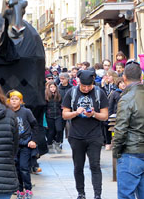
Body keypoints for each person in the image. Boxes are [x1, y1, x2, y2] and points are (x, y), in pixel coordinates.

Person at [62, 70, 109, 199]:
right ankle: (81, 193)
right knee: (78, 166)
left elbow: (105, 116)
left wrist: (93, 114)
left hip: (95, 135)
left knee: (95, 165)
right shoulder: (71, 93)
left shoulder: (100, 93)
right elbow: (65, 114)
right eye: (84, 86)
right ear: (79, 82)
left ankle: (97, 195)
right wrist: (76, 113)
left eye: (89, 86)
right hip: (76, 136)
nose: (87, 89)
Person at [113, 62, 144, 199]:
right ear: (141, 77)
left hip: (131, 152)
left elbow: (120, 129)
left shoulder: (126, 99)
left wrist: (116, 151)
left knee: (126, 194)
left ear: (124, 78)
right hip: (137, 150)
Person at [7, 90, 37, 199]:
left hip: (25, 144)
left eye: (16, 99)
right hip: (13, 145)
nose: (14, 101)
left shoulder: (26, 112)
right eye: (12, 99)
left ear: (21, 101)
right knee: (16, 169)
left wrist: (33, 140)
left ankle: (28, 189)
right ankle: (19, 190)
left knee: (24, 167)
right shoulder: (8, 112)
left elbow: (35, 126)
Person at [45, 81, 62, 153]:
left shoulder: (58, 95)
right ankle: (49, 144)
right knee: (51, 131)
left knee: (59, 129)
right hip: (49, 116)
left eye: (54, 87)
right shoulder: (46, 96)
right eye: (51, 87)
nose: (53, 88)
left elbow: (61, 104)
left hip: (58, 115)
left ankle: (57, 142)